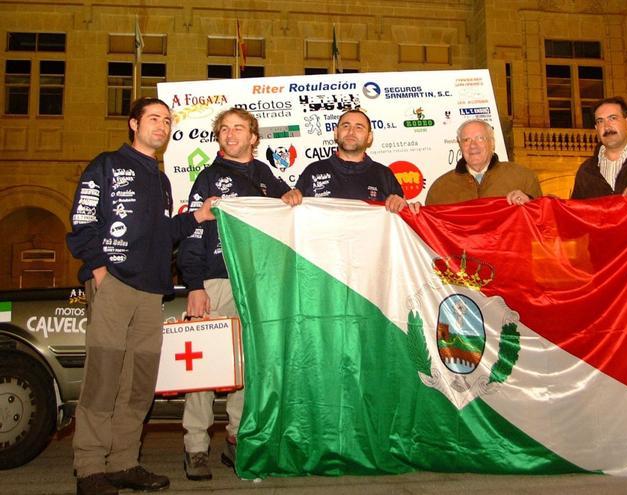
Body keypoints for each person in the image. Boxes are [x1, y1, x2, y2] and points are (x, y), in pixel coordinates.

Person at [66, 97, 218, 495]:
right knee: (104, 378)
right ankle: (89, 467)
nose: (162, 126)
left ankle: (123, 462)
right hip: (114, 283)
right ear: (134, 123)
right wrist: (100, 270)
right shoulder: (106, 164)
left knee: (139, 383)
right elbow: (82, 222)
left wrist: (198, 217)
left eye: (168, 121)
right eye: (154, 118)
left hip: (153, 293)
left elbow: (163, 234)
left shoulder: (161, 180)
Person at [177, 108, 300, 481]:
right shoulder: (210, 176)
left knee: (248, 366)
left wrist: (292, 194)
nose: (230, 135)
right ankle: (196, 446)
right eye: (224, 129)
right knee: (205, 367)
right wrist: (195, 285)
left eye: (239, 129)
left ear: (253, 137)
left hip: (258, 284)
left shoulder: (265, 176)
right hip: (218, 282)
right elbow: (193, 232)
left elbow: (288, 208)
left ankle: (237, 437)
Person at [294, 109, 405, 211]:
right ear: (336, 133)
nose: (351, 132)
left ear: (369, 137)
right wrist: (290, 199)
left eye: (359, 127)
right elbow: (293, 214)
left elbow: (401, 219)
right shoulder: (314, 171)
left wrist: (402, 205)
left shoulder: (384, 175)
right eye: (346, 126)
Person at [424, 119, 541, 206]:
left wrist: (530, 204)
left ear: (492, 143)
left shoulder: (522, 177)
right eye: (466, 140)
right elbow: (428, 232)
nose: (473, 145)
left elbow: (544, 222)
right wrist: (413, 214)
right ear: (460, 146)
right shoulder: (439, 189)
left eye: (480, 138)